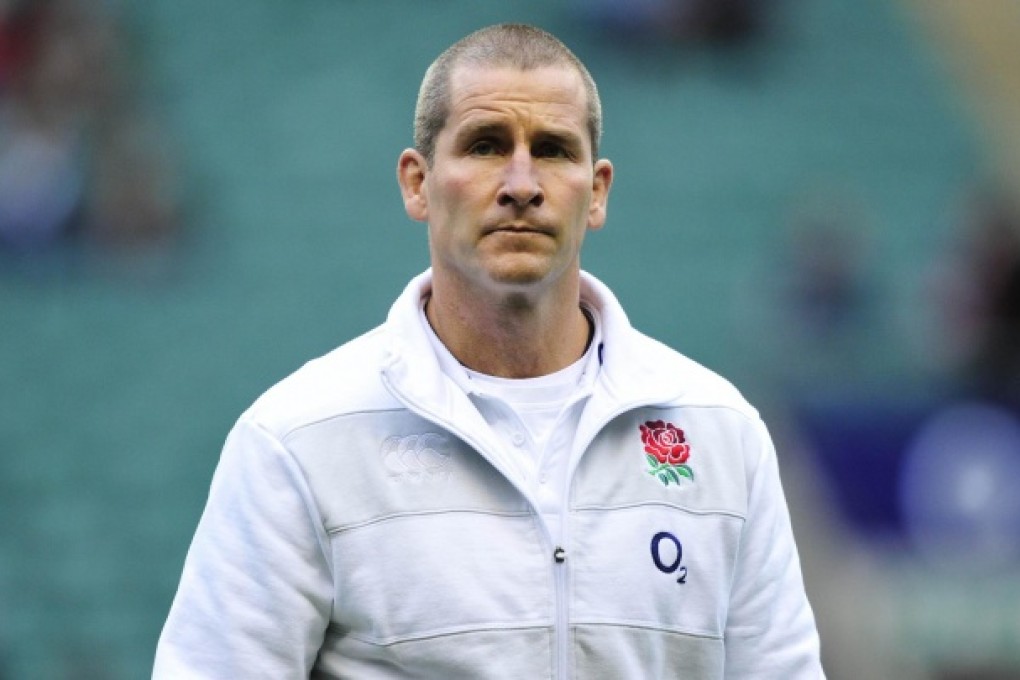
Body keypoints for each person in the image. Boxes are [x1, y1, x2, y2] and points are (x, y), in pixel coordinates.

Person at [153, 23, 824, 679]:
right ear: (417, 183)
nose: (522, 184)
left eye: (554, 150)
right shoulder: (297, 440)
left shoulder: (719, 431)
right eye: (485, 145)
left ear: (596, 192)